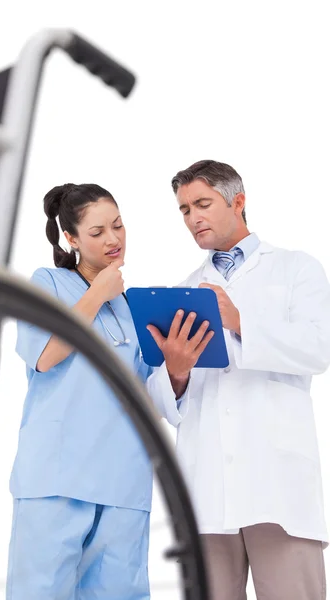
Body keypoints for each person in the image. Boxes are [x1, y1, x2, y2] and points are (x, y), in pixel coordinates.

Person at [6, 181, 211, 600]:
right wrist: (98, 292)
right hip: (56, 482)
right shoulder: (47, 283)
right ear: (71, 238)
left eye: (118, 226)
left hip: (123, 486)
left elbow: (149, 400)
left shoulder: (135, 307)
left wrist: (176, 370)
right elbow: (44, 355)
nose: (114, 239)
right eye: (98, 233)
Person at [146, 159, 330, 600]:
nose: (193, 218)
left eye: (202, 204)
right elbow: (166, 403)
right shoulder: (185, 289)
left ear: (238, 202)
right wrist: (175, 372)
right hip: (207, 490)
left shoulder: (295, 269)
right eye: (185, 210)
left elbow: (317, 348)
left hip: (277, 487)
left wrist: (239, 320)